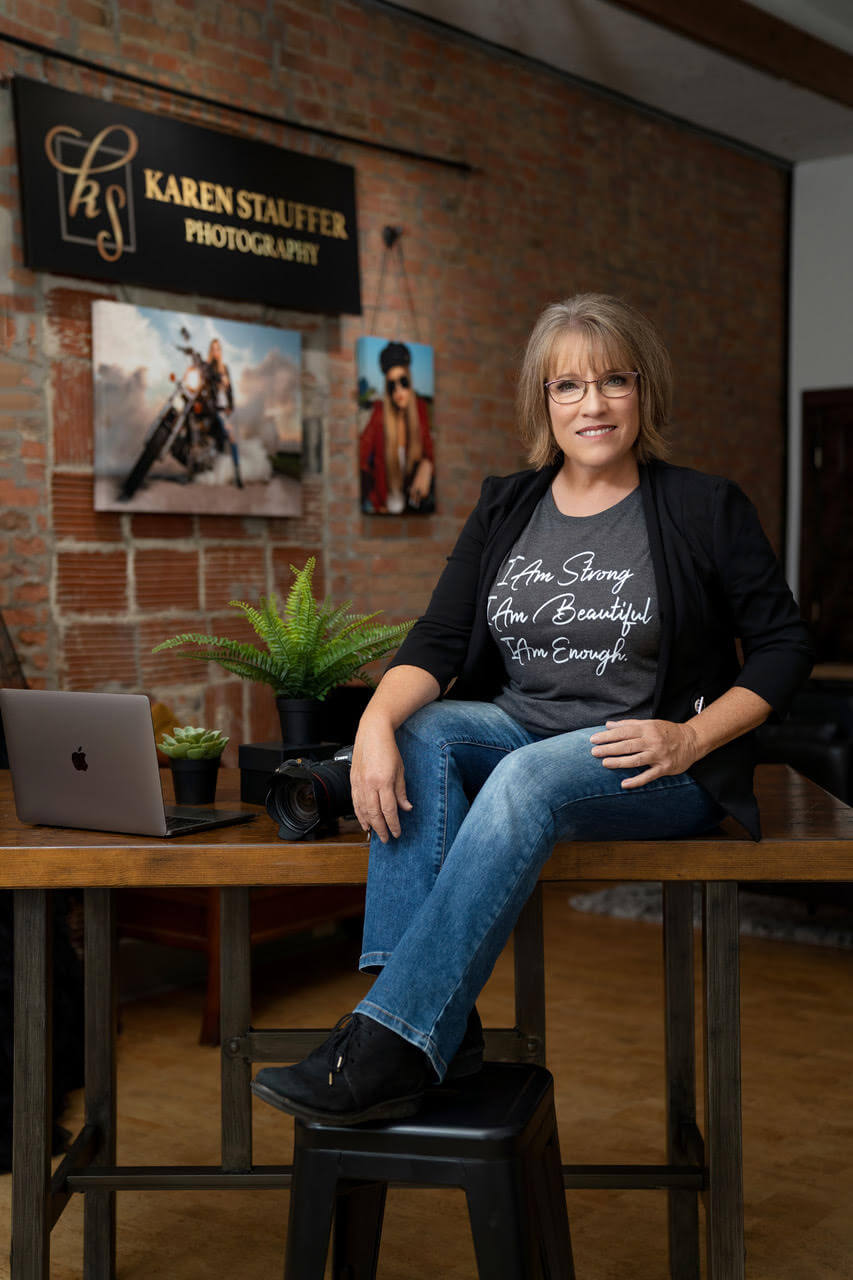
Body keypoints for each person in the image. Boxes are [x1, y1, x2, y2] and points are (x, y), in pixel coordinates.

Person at [252, 293, 812, 1127]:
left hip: (647, 757)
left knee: (519, 778)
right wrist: (371, 725)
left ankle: (387, 1039)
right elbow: (437, 642)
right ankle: (432, 1025)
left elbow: (784, 647)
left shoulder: (702, 505)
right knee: (425, 727)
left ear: (643, 392)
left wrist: (692, 734)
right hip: (522, 732)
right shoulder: (507, 504)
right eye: (567, 387)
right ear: (541, 402)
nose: (592, 405)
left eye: (612, 381)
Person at [360, 340, 434, 514]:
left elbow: (431, 452)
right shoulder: (379, 415)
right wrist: (374, 501)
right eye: (392, 385)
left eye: (403, 382)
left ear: (410, 381)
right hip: (384, 508)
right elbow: (360, 456)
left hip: (412, 512)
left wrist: (427, 465)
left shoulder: (421, 410)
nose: (398, 390)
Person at [204, 338, 242, 488]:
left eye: (218, 348)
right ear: (211, 352)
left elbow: (230, 390)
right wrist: (218, 377)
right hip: (215, 409)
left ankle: (235, 474)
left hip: (225, 409)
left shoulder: (225, 368)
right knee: (230, 438)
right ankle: (237, 477)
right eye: (213, 349)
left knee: (225, 441)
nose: (216, 351)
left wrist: (231, 406)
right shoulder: (209, 367)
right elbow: (207, 376)